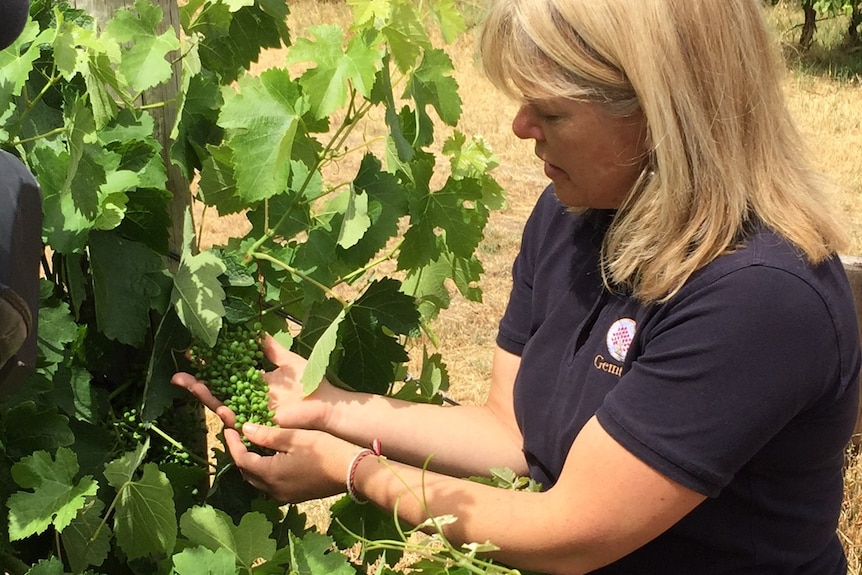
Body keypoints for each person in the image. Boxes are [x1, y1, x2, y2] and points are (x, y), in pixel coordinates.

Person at [172, 0, 862, 573]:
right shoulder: (574, 215)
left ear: (660, 118)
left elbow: (570, 530)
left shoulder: (762, 296)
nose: (519, 127)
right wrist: (329, 408)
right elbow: (513, 432)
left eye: (550, 112)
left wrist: (353, 469)